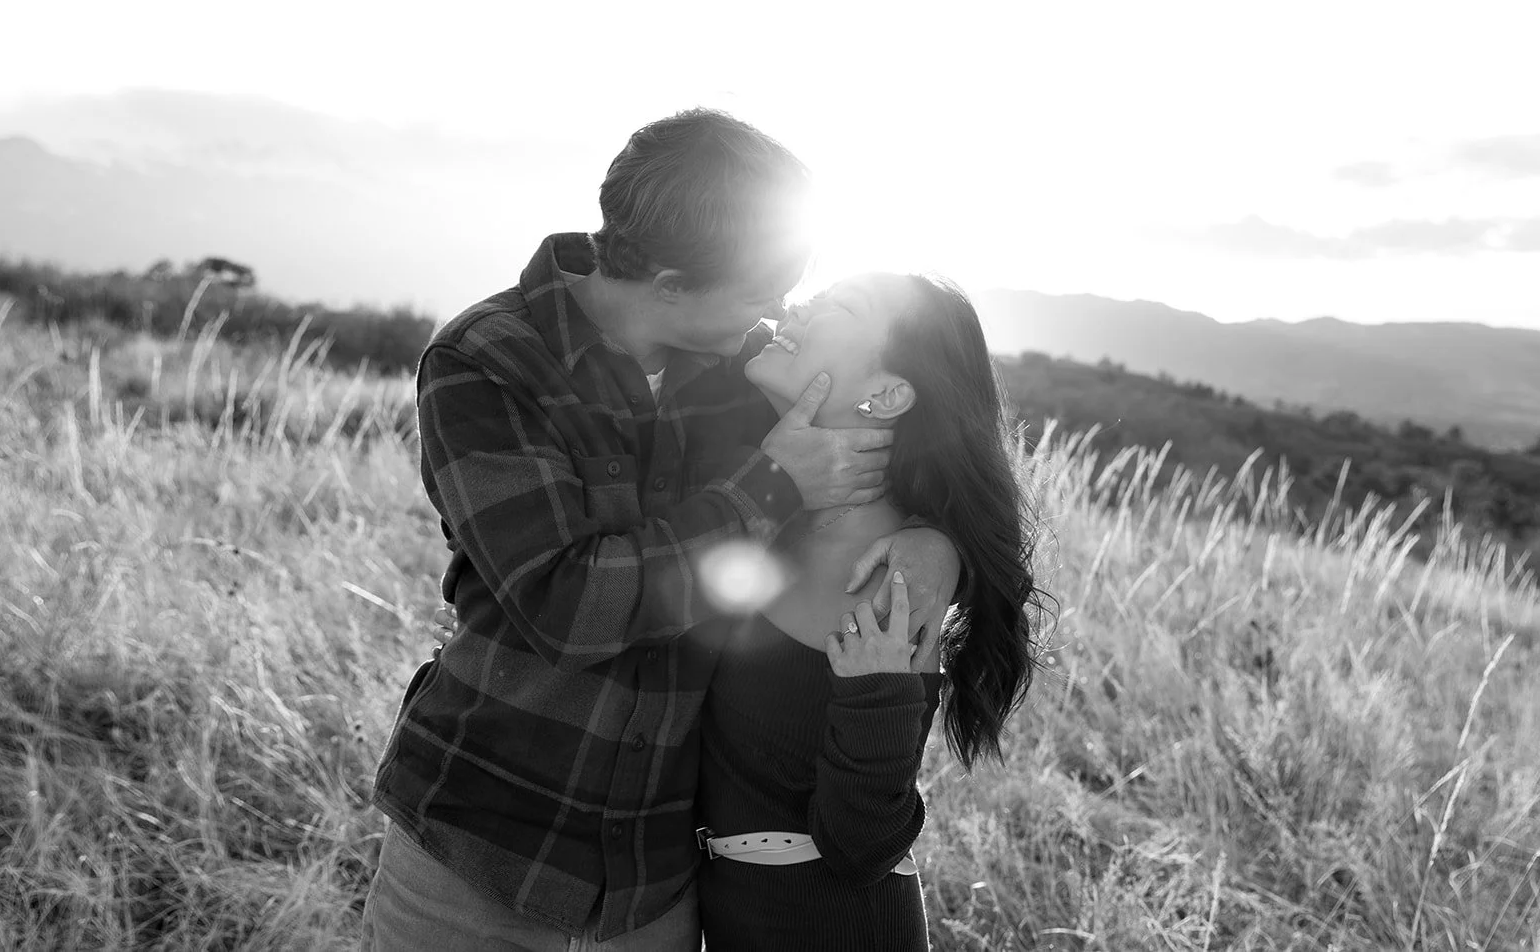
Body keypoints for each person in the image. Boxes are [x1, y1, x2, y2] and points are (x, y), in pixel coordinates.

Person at [361, 109, 964, 950]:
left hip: (654, 878)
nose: (777, 313)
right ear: (673, 284)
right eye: (761, 295)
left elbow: (913, 436)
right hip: (480, 851)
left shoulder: (745, 367)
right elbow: (566, 604)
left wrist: (937, 547)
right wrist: (774, 481)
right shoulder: (488, 360)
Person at [692, 272, 1048, 951]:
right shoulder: (768, 508)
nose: (800, 308)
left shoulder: (891, 581)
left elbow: (863, 846)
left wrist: (882, 693)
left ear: (885, 395)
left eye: (840, 307)